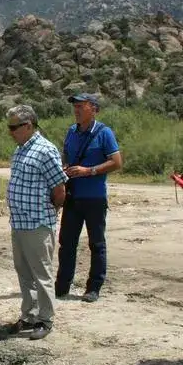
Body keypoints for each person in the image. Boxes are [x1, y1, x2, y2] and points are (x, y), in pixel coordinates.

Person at [5, 105, 69, 340]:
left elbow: (59, 190)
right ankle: (30, 315)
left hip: (38, 222)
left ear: (28, 126)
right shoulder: (20, 149)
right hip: (19, 222)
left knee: (41, 273)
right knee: (24, 272)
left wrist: (49, 213)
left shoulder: (45, 150)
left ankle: (45, 319)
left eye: (14, 127)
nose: (10, 132)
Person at [55, 92, 122, 303]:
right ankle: (62, 286)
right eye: (74, 106)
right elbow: (66, 155)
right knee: (67, 243)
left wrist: (89, 171)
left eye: (81, 106)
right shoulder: (71, 132)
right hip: (73, 196)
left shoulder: (104, 133)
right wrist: (66, 168)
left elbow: (117, 162)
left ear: (94, 109)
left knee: (97, 244)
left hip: (94, 198)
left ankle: (93, 288)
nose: (76, 110)